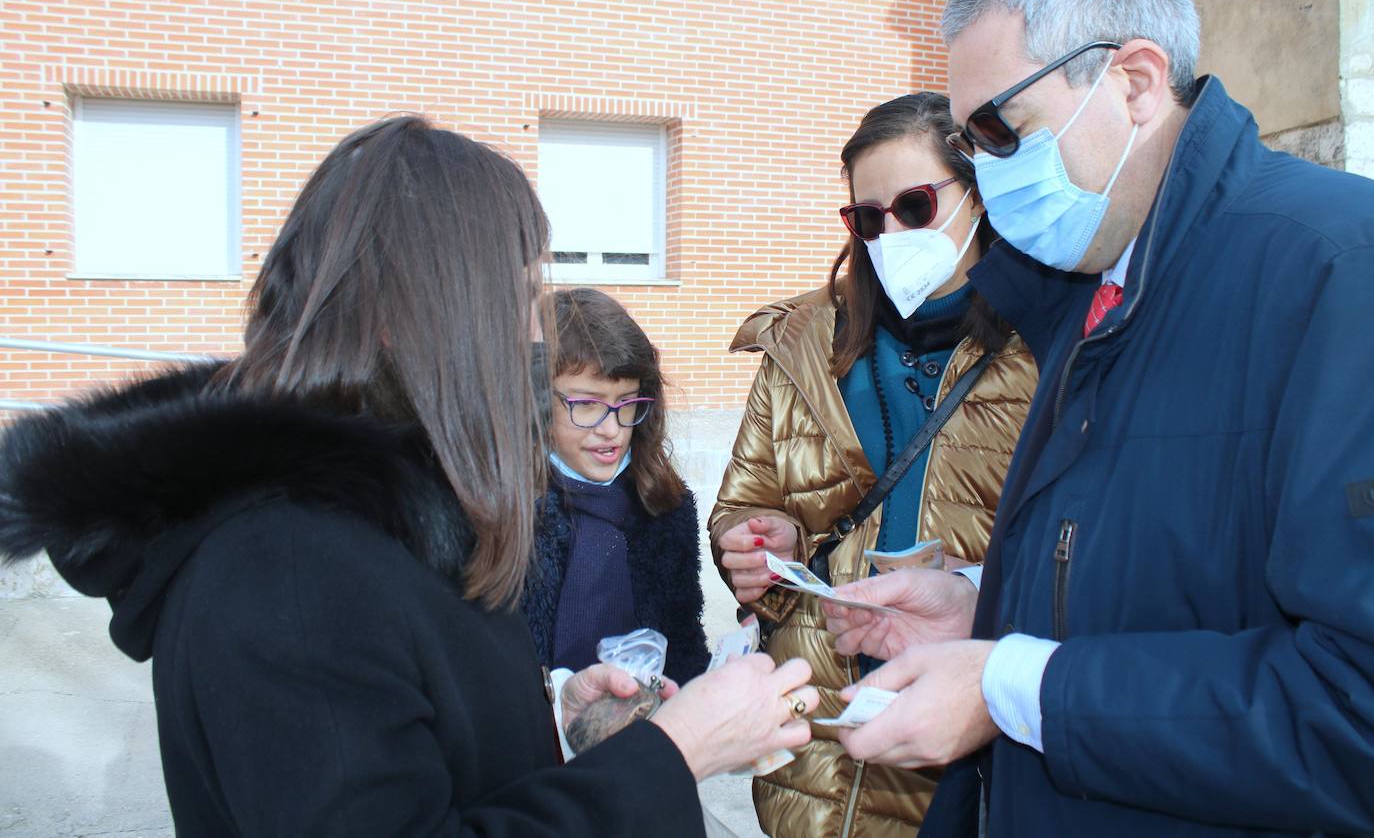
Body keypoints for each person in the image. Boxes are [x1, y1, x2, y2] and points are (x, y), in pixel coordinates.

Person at [0, 116, 819, 837]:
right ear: (424, 320)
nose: (537, 332)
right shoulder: (287, 570)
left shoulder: (386, 515)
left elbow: (426, 736)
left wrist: (561, 729)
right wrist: (677, 754)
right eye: (521, 294)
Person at [821, 0, 1374, 836]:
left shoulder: (1337, 272)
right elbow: (1162, 573)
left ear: (1136, 82)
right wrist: (983, 612)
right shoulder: (1094, 284)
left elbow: (1352, 705)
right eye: (969, 146)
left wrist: (1013, 687)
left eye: (1003, 130)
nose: (987, 174)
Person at [710, 92, 1037, 836]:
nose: (890, 233)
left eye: (915, 206)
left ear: (979, 195)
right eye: (867, 218)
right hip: (814, 755)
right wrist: (755, 541)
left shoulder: (1048, 348)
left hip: (961, 750)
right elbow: (746, 502)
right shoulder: (798, 342)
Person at [521, 287, 710, 684]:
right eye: (586, 404)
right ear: (535, 401)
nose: (611, 430)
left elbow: (683, 642)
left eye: (627, 403)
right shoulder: (507, 514)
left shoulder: (664, 507)